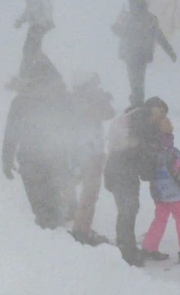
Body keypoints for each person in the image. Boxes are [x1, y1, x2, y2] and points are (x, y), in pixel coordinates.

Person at [2, 54, 78, 230]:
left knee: (45, 205)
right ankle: (51, 237)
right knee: (49, 205)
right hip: (47, 159)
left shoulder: (23, 100)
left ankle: (49, 236)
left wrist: (7, 159)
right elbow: (74, 130)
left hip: (41, 160)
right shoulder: (60, 99)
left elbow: (11, 132)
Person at [140, 101, 180, 264]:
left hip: (158, 192)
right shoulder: (172, 152)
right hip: (173, 192)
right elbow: (178, 172)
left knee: (159, 219)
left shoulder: (150, 150)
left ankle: (149, 247)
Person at [68, 72, 115, 246]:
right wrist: (102, 101)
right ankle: (81, 230)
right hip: (89, 152)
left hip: (77, 152)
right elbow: (106, 113)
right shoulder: (83, 102)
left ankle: (76, 223)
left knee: (77, 188)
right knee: (89, 193)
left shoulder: (70, 100)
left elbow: (108, 113)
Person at [104, 102, 153, 265]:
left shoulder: (126, 123)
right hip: (125, 176)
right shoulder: (138, 127)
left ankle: (126, 246)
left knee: (127, 210)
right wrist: (147, 171)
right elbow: (141, 156)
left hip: (119, 173)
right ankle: (126, 250)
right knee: (128, 211)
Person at [112, 0, 177, 107]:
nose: (131, 6)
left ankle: (137, 104)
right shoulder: (149, 18)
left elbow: (124, 33)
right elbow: (159, 36)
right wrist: (170, 51)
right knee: (137, 81)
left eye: (132, 3)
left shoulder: (132, 18)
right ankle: (137, 102)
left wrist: (116, 28)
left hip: (133, 54)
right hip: (139, 55)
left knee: (135, 81)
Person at [15, 0, 55, 76]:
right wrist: (21, 20)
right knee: (34, 51)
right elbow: (30, 10)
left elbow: (44, 7)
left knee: (30, 50)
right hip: (38, 26)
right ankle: (30, 73)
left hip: (39, 26)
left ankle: (24, 74)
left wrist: (45, 22)